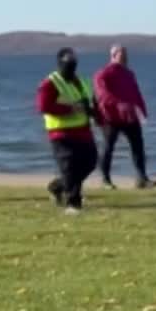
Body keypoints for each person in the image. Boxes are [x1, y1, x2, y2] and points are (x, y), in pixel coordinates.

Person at [37, 48, 101, 214]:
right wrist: (70, 109)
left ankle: (57, 186)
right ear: (60, 63)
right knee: (70, 166)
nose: (71, 66)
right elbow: (43, 106)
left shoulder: (83, 81)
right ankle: (73, 204)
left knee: (90, 163)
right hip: (61, 132)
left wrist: (99, 117)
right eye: (68, 63)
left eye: (73, 63)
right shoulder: (50, 83)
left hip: (83, 131)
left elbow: (92, 103)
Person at [93, 45, 156, 189]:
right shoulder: (103, 74)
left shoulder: (129, 74)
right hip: (110, 117)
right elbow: (102, 95)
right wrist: (120, 104)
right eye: (122, 54)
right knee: (108, 147)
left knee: (138, 146)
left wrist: (142, 109)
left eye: (126, 54)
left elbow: (135, 93)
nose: (126, 57)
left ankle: (142, 179)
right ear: (114, 55)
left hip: (130, 116)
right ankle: (105, 179)